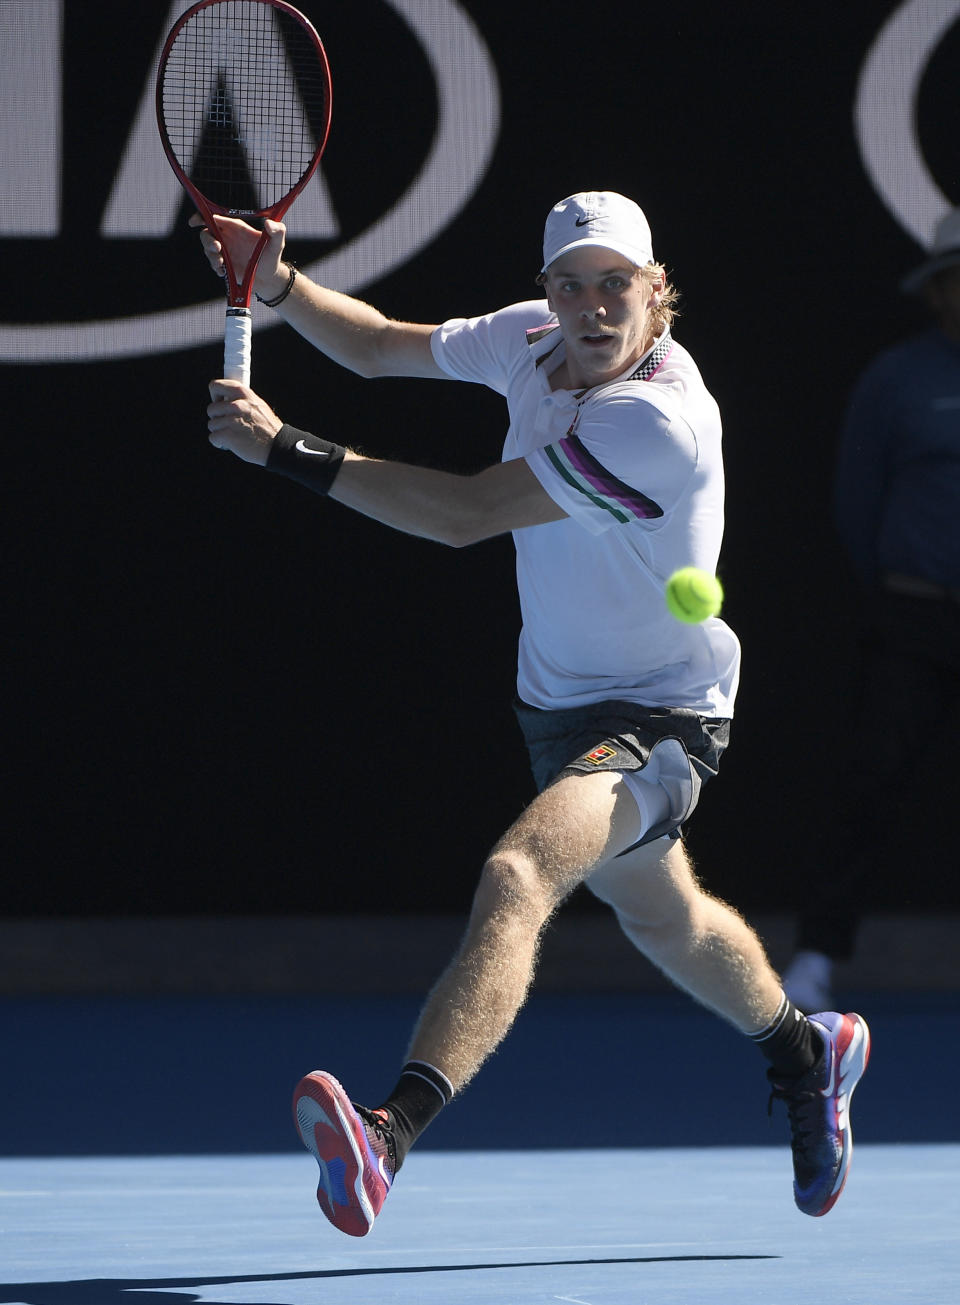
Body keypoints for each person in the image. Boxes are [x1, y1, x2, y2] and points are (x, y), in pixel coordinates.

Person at [195, 191, 870, 1234]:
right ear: (549, 294)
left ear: (657, 294)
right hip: (554, 703)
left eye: (617, 286)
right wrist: (279, 284)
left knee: (520, 874)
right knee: (663, 915)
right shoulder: (529, 337)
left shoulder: (658, 421)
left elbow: (468, 516)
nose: (594, 308)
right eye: (572, 286)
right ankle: (804, 1050)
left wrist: (288, 450)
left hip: (666, 710)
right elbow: (376, 347)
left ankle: (387, 1137)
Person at [783, 208, 960, 1013]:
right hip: (912, 621)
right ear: (936, 292)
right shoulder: (896, 378)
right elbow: (858, 505)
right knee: (870, 784)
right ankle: (817, 958)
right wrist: (906, 585)